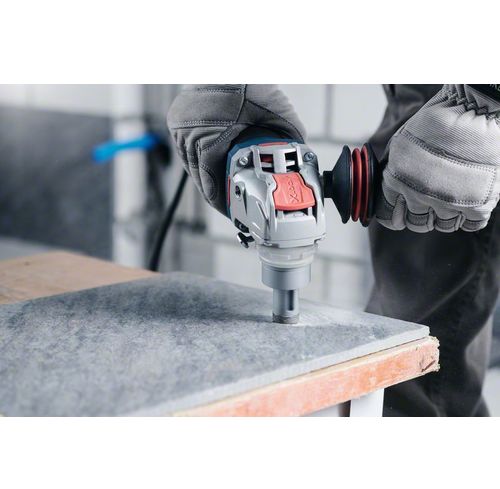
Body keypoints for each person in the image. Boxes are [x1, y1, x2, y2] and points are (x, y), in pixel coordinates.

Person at [167, 84, 500, 416]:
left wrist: (479, 106)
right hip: (420, 99)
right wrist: (227, 86)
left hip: (470, 106)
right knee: (395, 334)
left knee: (415, 370)